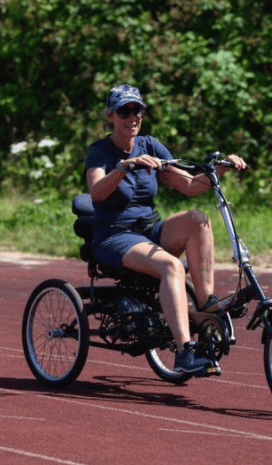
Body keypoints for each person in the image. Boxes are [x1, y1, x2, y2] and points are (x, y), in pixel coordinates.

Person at [84, 84, 247, 375]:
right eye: (124, 111)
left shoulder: (150, 144)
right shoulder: (99, 151)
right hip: (114, 236)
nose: (132, 117)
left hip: (147, 230)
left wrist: (220, 170)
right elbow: (95, 192)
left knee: (198, 219)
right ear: (111, 116)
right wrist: (122, 168)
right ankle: (185, 352)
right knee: (172, 267)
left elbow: (189, 186)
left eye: (138, 110)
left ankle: (206, 303)